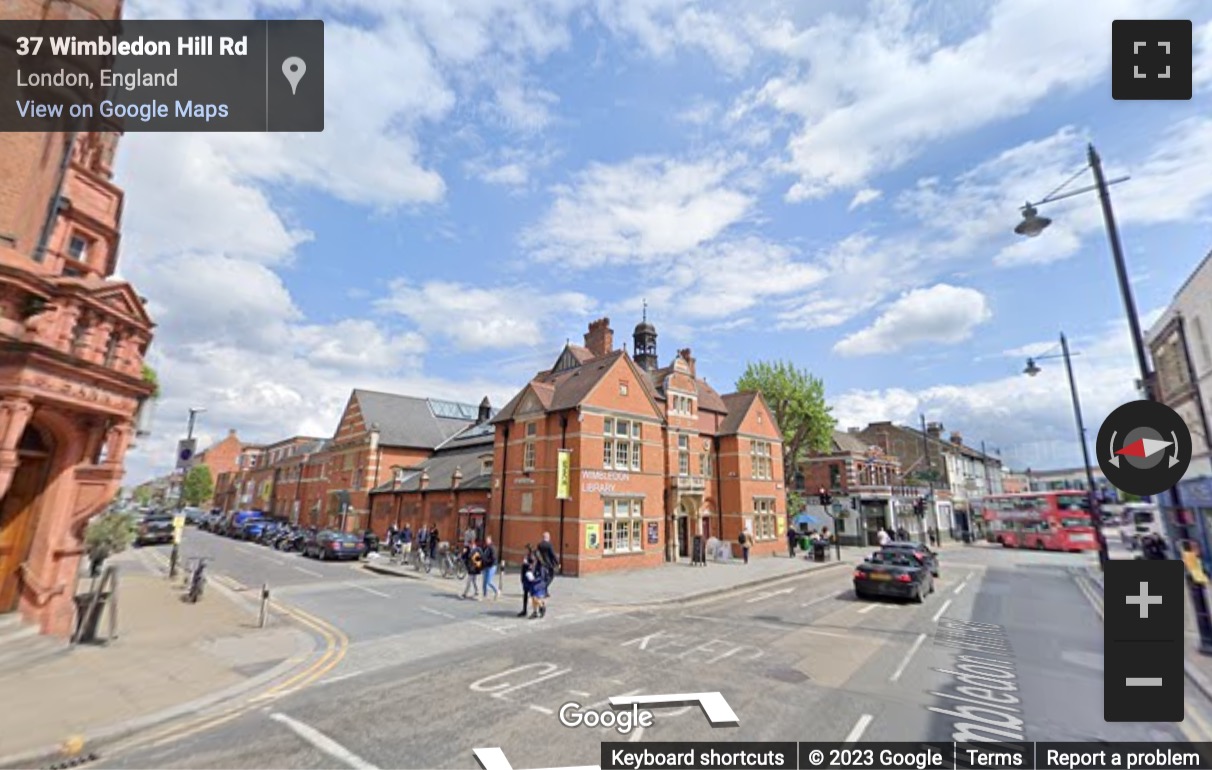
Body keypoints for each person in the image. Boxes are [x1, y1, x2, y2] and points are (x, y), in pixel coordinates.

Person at [528, 553, 550, 619]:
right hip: (534, 583)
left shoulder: (541, 566)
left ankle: (542, 607)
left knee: (535, 598)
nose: (533, 559)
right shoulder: (534, 565)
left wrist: (534, 579)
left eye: (534, 557)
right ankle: (535, 612)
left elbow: (542, 577)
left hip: (539, 584)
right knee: (533, 598)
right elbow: (532, 571)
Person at [518, 544, 535, 617]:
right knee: (525, 594)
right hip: (525, 577)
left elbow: (532, 567)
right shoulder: (526, 556)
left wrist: (526, 564)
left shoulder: (531, 557)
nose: (525, 551)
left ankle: (536, 610)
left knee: (533, 595)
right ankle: (524, 610)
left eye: (526, 549)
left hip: (529, 578)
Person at [482, 536, 499, 600]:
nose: (486, 542)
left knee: (489, 582)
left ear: (490, 541)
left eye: (487, 540)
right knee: (484, 582)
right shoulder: (486, 547)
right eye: (486, 540)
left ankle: (496, 591)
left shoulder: (492, 548)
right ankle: (485, 595)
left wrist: (487, 561)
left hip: (491, 567)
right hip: (486, 567)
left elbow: (494, 559)